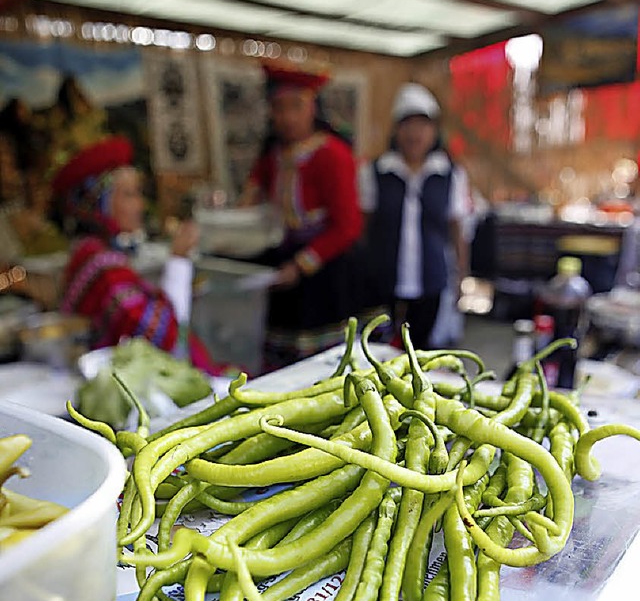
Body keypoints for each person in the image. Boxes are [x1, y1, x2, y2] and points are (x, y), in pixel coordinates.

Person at [53, 135, 219, 373]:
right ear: (100, 203)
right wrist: (178, 260)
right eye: (129, 195)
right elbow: (162, 339)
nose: (140, 205)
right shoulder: (104, 268)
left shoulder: (90, 252)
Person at [241, 61, 362, 369]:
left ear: (313, 107)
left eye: (296, 106)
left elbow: (347, 227)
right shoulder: (273, 156)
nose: (287, 117)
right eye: (279, 108)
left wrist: (300, 265)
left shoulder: (333, 154)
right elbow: (254, 202)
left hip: (325, 271)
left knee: (322, 367)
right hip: (286, 268)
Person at [359, 82, 470, 350]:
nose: (415, 134)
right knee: (379, 348)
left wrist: (461, 278)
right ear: (396, 129)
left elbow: (457, 229)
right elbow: (363, 227)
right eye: (407, 124)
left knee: (419, 351)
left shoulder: (450, 174)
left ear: (434, 132)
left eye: (423, 125)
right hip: (382, 279)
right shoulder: (376, 172)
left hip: (430, 280)